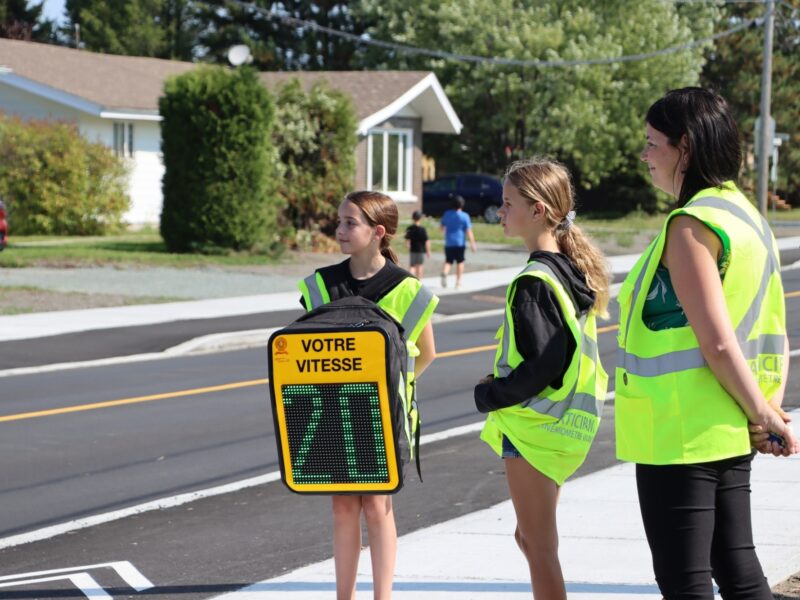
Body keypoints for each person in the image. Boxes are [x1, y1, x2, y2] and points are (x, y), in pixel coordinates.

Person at [615, 87, 798, 599]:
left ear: (686, 147)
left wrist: (763, 416)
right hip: (728, 425)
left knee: (686, 582)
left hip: (680, 430)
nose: (646, 156)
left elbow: (717, 343)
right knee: (739, 574)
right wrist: (765, 409)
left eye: (653, 144)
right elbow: (772, 329)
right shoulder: (746, 217)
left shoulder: (691, 225)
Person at [474, 158, 610, 599]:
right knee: (530, 539)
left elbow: (545, 363)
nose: (500, 212)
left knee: (538, 545)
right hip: (563, 426)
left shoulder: (534, 280)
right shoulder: (568, 270)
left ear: (538, 210)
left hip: (534, 427)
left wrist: (490, 393)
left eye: (507, 203)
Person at [297, 190, 438, 600]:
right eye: (339, 221)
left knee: (377, 506)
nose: (339, 230)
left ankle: (383, 596)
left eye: (349, 223)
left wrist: (393, 389)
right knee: (343, 506)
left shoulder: (408, 290)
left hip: (384, 416)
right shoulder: (321, 286)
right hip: (332, 414)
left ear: (378, 232)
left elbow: (427, 354)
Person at [439, 195, 477, 289]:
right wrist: (473, 243)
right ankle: (458, 282)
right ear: (462, 205)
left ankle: (445, 273)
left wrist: (444, 232)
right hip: (460, 243)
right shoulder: (465, 216)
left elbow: (442, 227)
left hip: (449, 243)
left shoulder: (447, 214)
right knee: (460, 262)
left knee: (448, 260)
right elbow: (468, 231)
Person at [405, 210, 431, 278]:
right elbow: (426, 241)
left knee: (412, 266)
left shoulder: (409, 228)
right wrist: (428, 251)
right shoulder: (423, 229)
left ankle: (410, 278)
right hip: (421, 250)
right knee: (420, 265)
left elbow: (407, 240)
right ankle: (418, 280)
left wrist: (408, 247)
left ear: (413, 218)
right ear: (420, 218)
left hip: (413, 250)